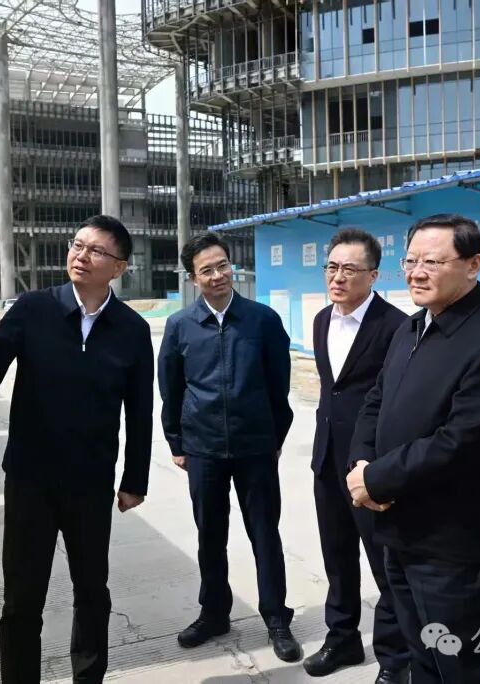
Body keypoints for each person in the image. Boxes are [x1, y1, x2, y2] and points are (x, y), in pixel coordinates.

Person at [0, 215, 154, 683]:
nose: (81, 255)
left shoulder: (132, 329)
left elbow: (139, 410)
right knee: (22, 597)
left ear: (118, 268)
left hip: (91, 482)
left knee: (92, 591)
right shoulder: (34, 309)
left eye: (96, 251)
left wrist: (134, 479)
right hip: (30, 479)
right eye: (78, 244)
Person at [346, 215, 480, 684]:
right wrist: (361, 463)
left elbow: (465, 441)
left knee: (462, 666)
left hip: (447, 541)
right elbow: (376, 400)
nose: (417, 273)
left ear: (473, 265)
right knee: (422, 657)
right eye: (410, 262)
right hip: (396, 527)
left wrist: (377, 479)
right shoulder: (411, 327)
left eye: (432, 262)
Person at [158, 232, 301, 662]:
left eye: (223, 265)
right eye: (207, 270)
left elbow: (279, 386)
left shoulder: (262, 320)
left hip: (255, 447)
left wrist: (274, 438)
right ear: (192, 278)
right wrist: (176, 441)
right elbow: (171, 388)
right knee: (210, 536)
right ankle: (214, 613)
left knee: (265, 534)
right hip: (202, 449)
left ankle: (276, 619)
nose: (218, 275)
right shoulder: (180, 326)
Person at [304, 229, 409, 683]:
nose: (338, 277)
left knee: (385, 565)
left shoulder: (397, 326)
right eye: (331, 267)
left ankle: (397, 659)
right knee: (337, 556)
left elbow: (398, 402)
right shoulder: (321, 320)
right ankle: (342, 638)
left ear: (374, 274)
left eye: (349, 269)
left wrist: (384, 467)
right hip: (327, 457)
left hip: (371, 466)